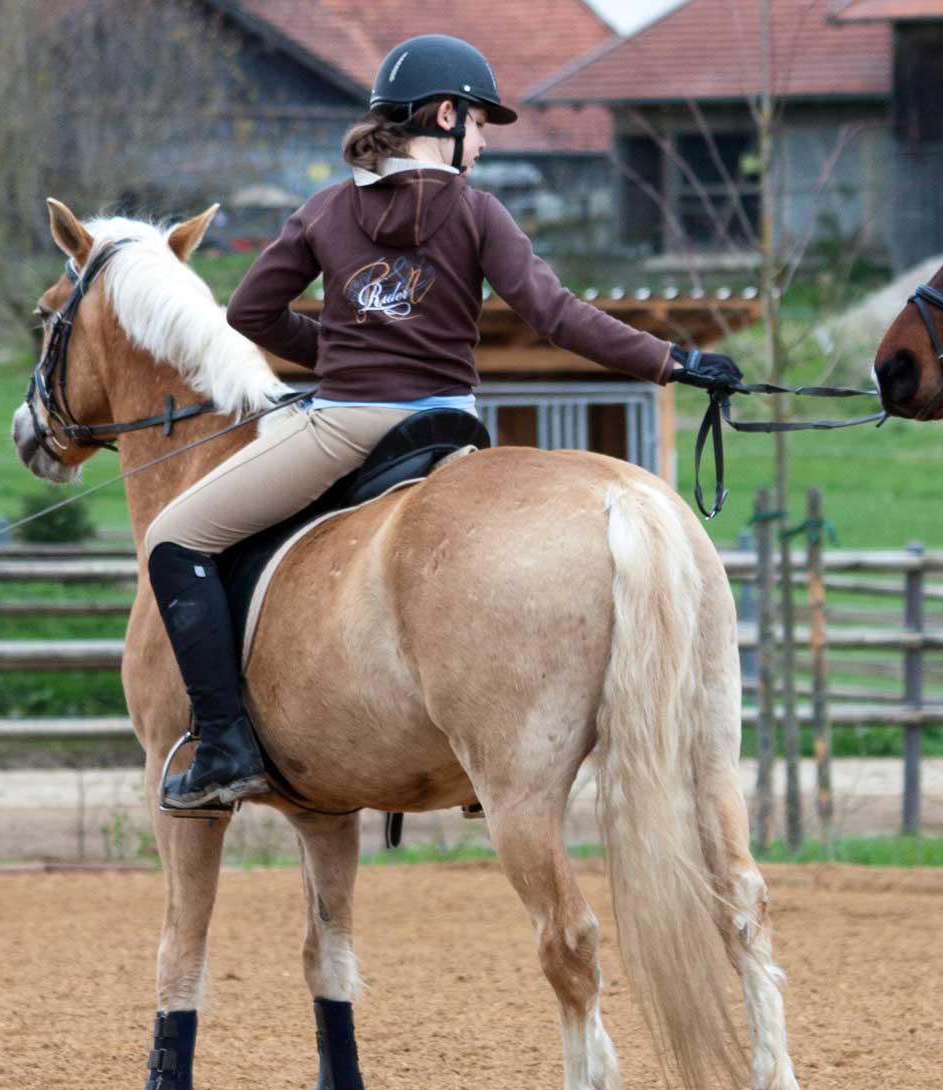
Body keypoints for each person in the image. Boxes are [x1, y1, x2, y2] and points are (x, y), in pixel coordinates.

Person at [143, 33, 741, 812]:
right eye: (482, 126)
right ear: (448, 116)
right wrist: (673, 361)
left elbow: (250, 311)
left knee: (175, 538)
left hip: (345, 426)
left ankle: (222, 742)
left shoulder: (326, 209)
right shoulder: (480, 214)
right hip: (450, 434)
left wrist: (340, 351)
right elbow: (555, 316)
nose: (485, 144)